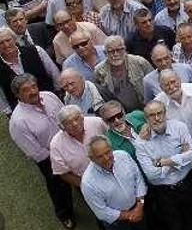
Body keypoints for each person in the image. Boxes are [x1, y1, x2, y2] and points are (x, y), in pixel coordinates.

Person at [8, 75, 75, 229]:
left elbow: (65, 114)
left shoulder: (49, 96)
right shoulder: (18, 122)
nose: (32, 91)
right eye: (26, 90)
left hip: (71, 143)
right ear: (17, 95)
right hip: (49, 158)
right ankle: (64, 214)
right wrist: (59, 157)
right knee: (58, 187)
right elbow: (35, 152)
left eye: (33, 86)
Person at [134, 100, 192, 230]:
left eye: (160, 113)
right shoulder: (141, 143)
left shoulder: (179, 127)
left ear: (165, 114)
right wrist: (180, 159)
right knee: (176, 226)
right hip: (165, 194)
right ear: (146, 119)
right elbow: (152, 175)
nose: (157, 118)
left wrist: (162, 162)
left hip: (190, 183)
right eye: (152, 115)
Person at [81, 135, 148, 230]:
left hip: (139, 209)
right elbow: (102, 211)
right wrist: (130, 215)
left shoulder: (123, 156)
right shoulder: (88, 183)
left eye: (108, 152)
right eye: (100, 156)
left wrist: (140, 205)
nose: (106, 158)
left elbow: (139, 180)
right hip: (118, 224)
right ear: (91, 158)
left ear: (111, 148)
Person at [49, 104, 108, 189]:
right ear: (62, 127)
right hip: (89, 182)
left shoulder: (97, 122)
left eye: (77, 118)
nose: (75, 124)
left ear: (82, 117)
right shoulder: (56, 145)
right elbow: (64, 173)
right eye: (68, 122)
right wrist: (87, 187)